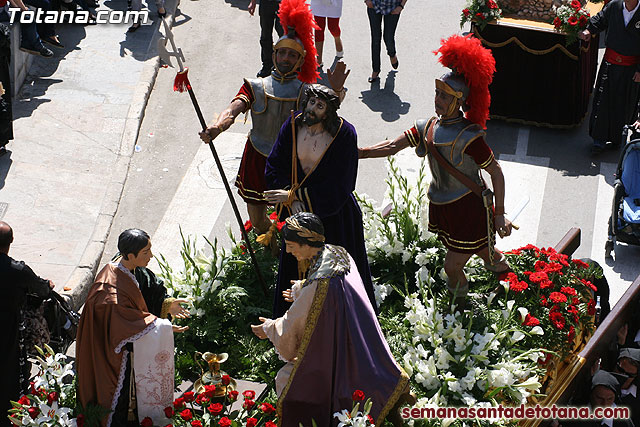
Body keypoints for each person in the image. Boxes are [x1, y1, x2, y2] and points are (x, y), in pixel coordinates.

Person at [359, 34, 511, 307]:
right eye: (437, 93)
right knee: (482, 251)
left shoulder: (469, 137)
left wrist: (500, 215)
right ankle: (509, 279)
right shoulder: (426, 127)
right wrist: (359, 152)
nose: (437, 99)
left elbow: (496, 173)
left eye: (445, 95)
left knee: (452, 266)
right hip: (444, 206)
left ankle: (460, 309)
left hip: (468, 207)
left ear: (459, 100)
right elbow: (393, 146)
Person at [199, 0, 346, 235]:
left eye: (292, 55)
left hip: (290, 162)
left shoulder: (306, 91)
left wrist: (336, 92)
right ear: (274, 54)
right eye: (282, 53)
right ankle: (269, 246)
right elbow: (233, 108)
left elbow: (328, 117)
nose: (285, 58)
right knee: (257, 222)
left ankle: (284, 257)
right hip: (257, 155)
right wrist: (217, 127)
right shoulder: (255, 86)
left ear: (300, 60)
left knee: (292, 222)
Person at [251, 213, 409, 426]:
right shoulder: (338, 253)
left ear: (307, 242)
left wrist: (269, 328)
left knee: (288, 381)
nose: (288, 251)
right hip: (359, 335)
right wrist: (301, 289)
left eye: (291, 245)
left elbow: (294, 322)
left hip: (338, 352)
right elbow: (333, 295)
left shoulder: (319, 283)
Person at [264, 84, 375, 317]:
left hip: (334, 218)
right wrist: (290, 199)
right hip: (296, 213)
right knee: (294, 265)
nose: (312, 109)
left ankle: (341, 323)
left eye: (320, 106)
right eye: (311, 102)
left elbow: (342, 185)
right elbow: (274, 165)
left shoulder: (344, 135)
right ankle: (292, 325)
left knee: (335, 274)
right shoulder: (293, 125)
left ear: (330, 112)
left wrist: (297, 197)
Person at [76, 229, 190, 427]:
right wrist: (163, 328)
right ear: (129, 255)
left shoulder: (132, 269)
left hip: (129, 346)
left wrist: (166, 304)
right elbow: (126, 324)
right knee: (118, 401)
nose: (151, 256)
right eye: (146, 252)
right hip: (112, 354)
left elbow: (148, 288)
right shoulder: (109, 293)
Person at [0, 221, 54, 427]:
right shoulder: (17, 270)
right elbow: (41, 289)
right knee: (9, 371)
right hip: (8, 330)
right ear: (11, 241)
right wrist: (48, 285)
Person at [578, 0, 640, 156]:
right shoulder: (614, 5)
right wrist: (588, 30)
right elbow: (600, 20)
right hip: (610, 64)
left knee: (623, 104)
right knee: (603, 101)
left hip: (631, 69)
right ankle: (598, 140)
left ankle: (617, 138)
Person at [365, 0, 407, 83]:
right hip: (374, 5)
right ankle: (375, 70)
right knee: (375, 38)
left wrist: (401, 6)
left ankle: (392, 54)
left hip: (393, 6)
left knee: (388, 38)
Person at [248, 0, 283, 78]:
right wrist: (253, 2)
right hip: (266, 3)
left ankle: (283, 65)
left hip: (283, 3)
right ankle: (267, 66)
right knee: (265, 36)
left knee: (283, 35)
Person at [310, 0, 343, 69]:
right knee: (319, 29)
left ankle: (337, 39)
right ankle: (319, 59)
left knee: (333, 27)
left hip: (334, 3)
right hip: (318, 3)